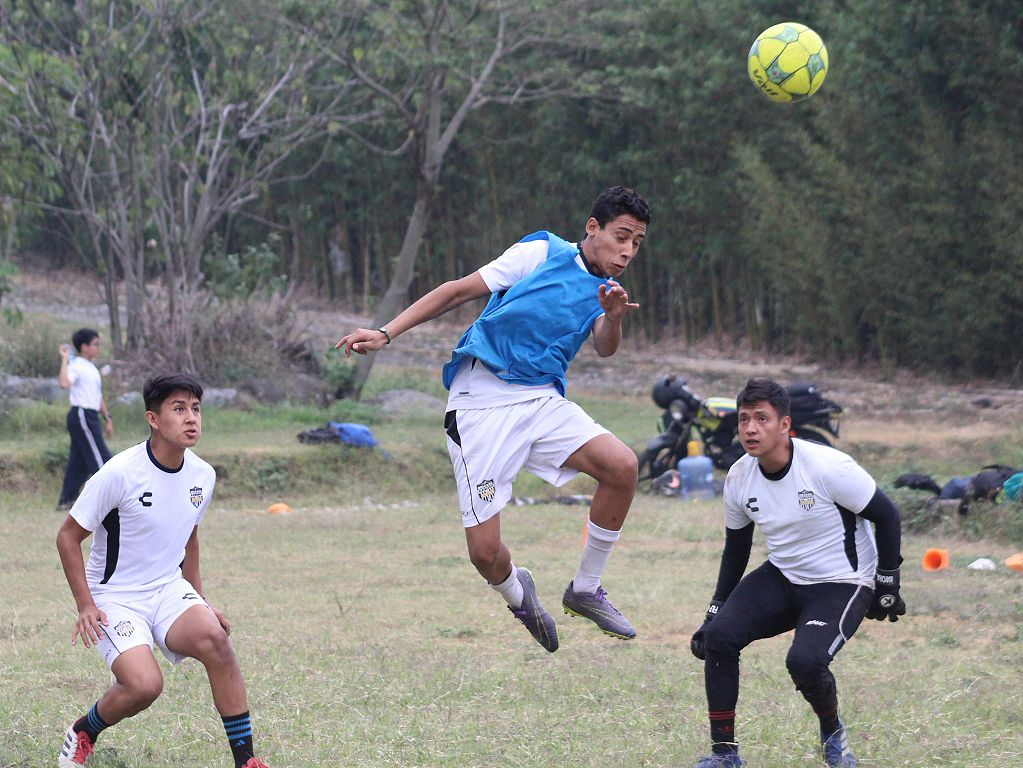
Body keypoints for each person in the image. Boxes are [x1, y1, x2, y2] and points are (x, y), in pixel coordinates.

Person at [338, 185, 650, 652]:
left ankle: (585, 589)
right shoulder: (543, 251)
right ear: (593, 228)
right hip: (481, 401)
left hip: (541, 400)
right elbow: (458, 291)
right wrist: (387, 332)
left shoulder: (608, 291)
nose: (627, 251)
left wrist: (615, 317)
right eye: (621, 236)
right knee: (485, 554)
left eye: (637, 243)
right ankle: (517, 593)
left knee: (623, 466)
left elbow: (604, 346)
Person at [55, 373, 268, 768]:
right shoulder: (119, 473)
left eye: (197, 409)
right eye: (179, 409)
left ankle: (246, 761)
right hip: (115, 598)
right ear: (153, 419)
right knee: (145, 686)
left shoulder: (203, 476)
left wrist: (201, 603)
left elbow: (189, 541)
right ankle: (85, 730)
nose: (192, 419)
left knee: (216, 641)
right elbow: (67, 537)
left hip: (168, 588)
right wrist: (86, 605)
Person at [689, 378, 905, 768]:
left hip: (843, 581)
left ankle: (834, 738)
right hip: (784, 575)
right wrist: (714, 609)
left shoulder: (827, 467)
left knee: (804, 662)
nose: (750, 428)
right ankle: (724, 757)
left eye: (761, 419)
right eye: (743, 420)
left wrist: (888, 581)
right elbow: (737, 549)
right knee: (720, 638)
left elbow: (887, 516)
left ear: (785, 425)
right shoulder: (739, 477)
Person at [57, 328, 113, 511]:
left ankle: (67, 501)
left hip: (91, 416)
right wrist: (65, 358)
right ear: (84, 346)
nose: (98, 348)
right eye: (95, 344)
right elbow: (64, 383)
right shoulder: (76, 366)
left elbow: (97, 396)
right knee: (102, 459)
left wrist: (107, 417)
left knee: (79, 462)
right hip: (81, 415)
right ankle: (112, 499)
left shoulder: (92, 369)